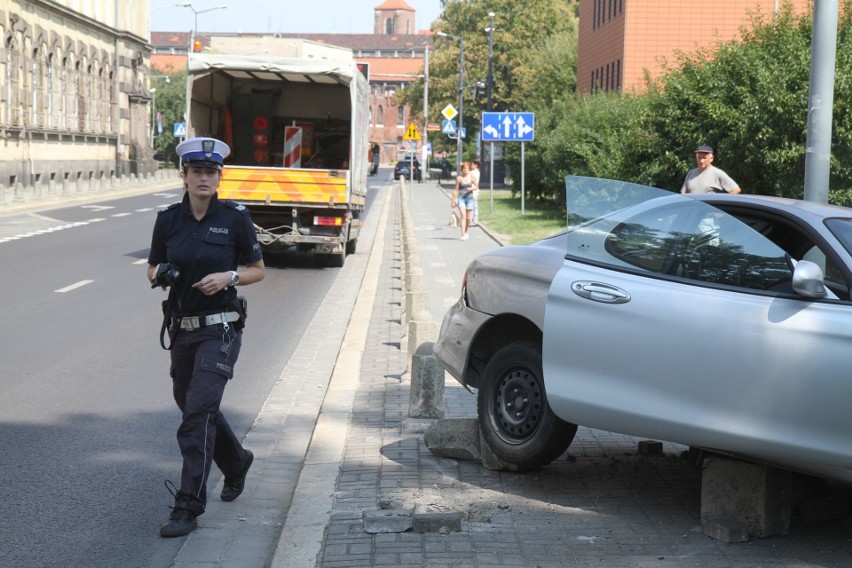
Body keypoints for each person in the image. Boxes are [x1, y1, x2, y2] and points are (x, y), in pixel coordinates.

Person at [147, 137, 266, 538]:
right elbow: (151, 267)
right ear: (184, 176)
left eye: (210, 172)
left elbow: (257, 269)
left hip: (221, 327)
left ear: (219, 177)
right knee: (190, 403)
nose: (203, 178)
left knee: (197, 413)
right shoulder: (167, 219)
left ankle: (188, 505)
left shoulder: (234, 218)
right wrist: (161, 274)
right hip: (183, 328)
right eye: (196, 171)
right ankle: (236, 463)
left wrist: (229, 276)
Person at [451, 161, 476, 240]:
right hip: (461, 198)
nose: (465, 170)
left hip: (470, 198)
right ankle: (462, 234)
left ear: (469, 169)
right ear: (462, 169)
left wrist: (471, 188)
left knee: (468, 218)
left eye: (467, 168)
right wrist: (453, 200)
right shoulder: (459, 178)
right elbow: (456, 190)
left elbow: (477, 186)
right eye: (464, 168)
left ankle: (466, 231)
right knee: (463, 216)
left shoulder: (471, 177)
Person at [470, 160, 481, 226]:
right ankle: (473, 220)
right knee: (473, 205)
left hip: (474, 190)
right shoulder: (475, 172)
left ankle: (474, 220)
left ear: (476, 165)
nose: (471, 166)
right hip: (473, 190)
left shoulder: (475, 172)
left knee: (474, 205)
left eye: (472, 164)